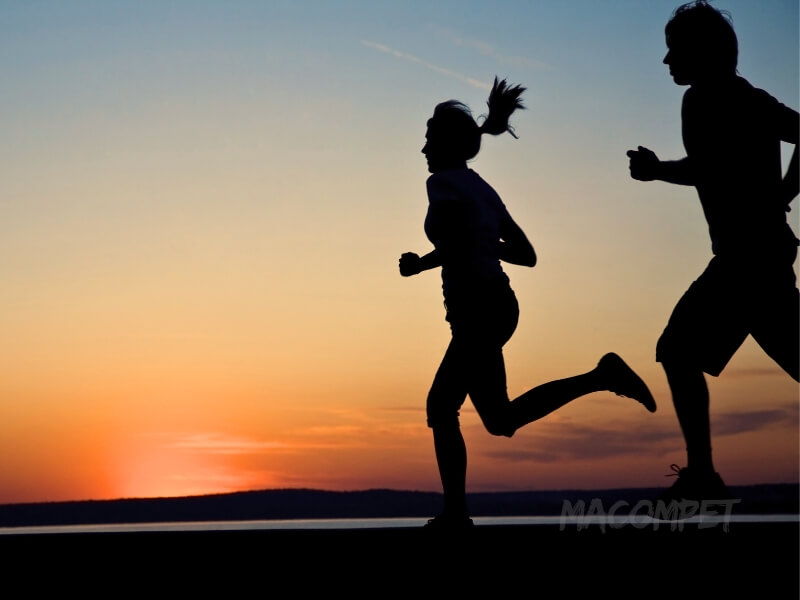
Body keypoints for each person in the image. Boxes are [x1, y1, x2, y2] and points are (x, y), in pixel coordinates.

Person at [400, 77, 657, 530]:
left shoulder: (439, 183)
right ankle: (602, 375)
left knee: (442, 406)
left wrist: (433, 257)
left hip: (478, 309)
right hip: (497, 305)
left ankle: (457, 516)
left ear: (443, 144)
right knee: (500, 420)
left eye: (426, 138)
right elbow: (525, 253)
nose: (422, 148)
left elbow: (464, 243)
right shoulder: (483, 189)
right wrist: (443, 256)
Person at [627, 1, 799, 502]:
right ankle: (702, 474)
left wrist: (784, 194)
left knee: (677, 349)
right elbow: (710, 167)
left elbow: (707, 167)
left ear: (701, 52)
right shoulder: (739, 97)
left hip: (748, 258)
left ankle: (702, 475)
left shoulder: (715, 98)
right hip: (761, 255)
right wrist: (783, 195)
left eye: (673, 50)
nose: (666, 61)